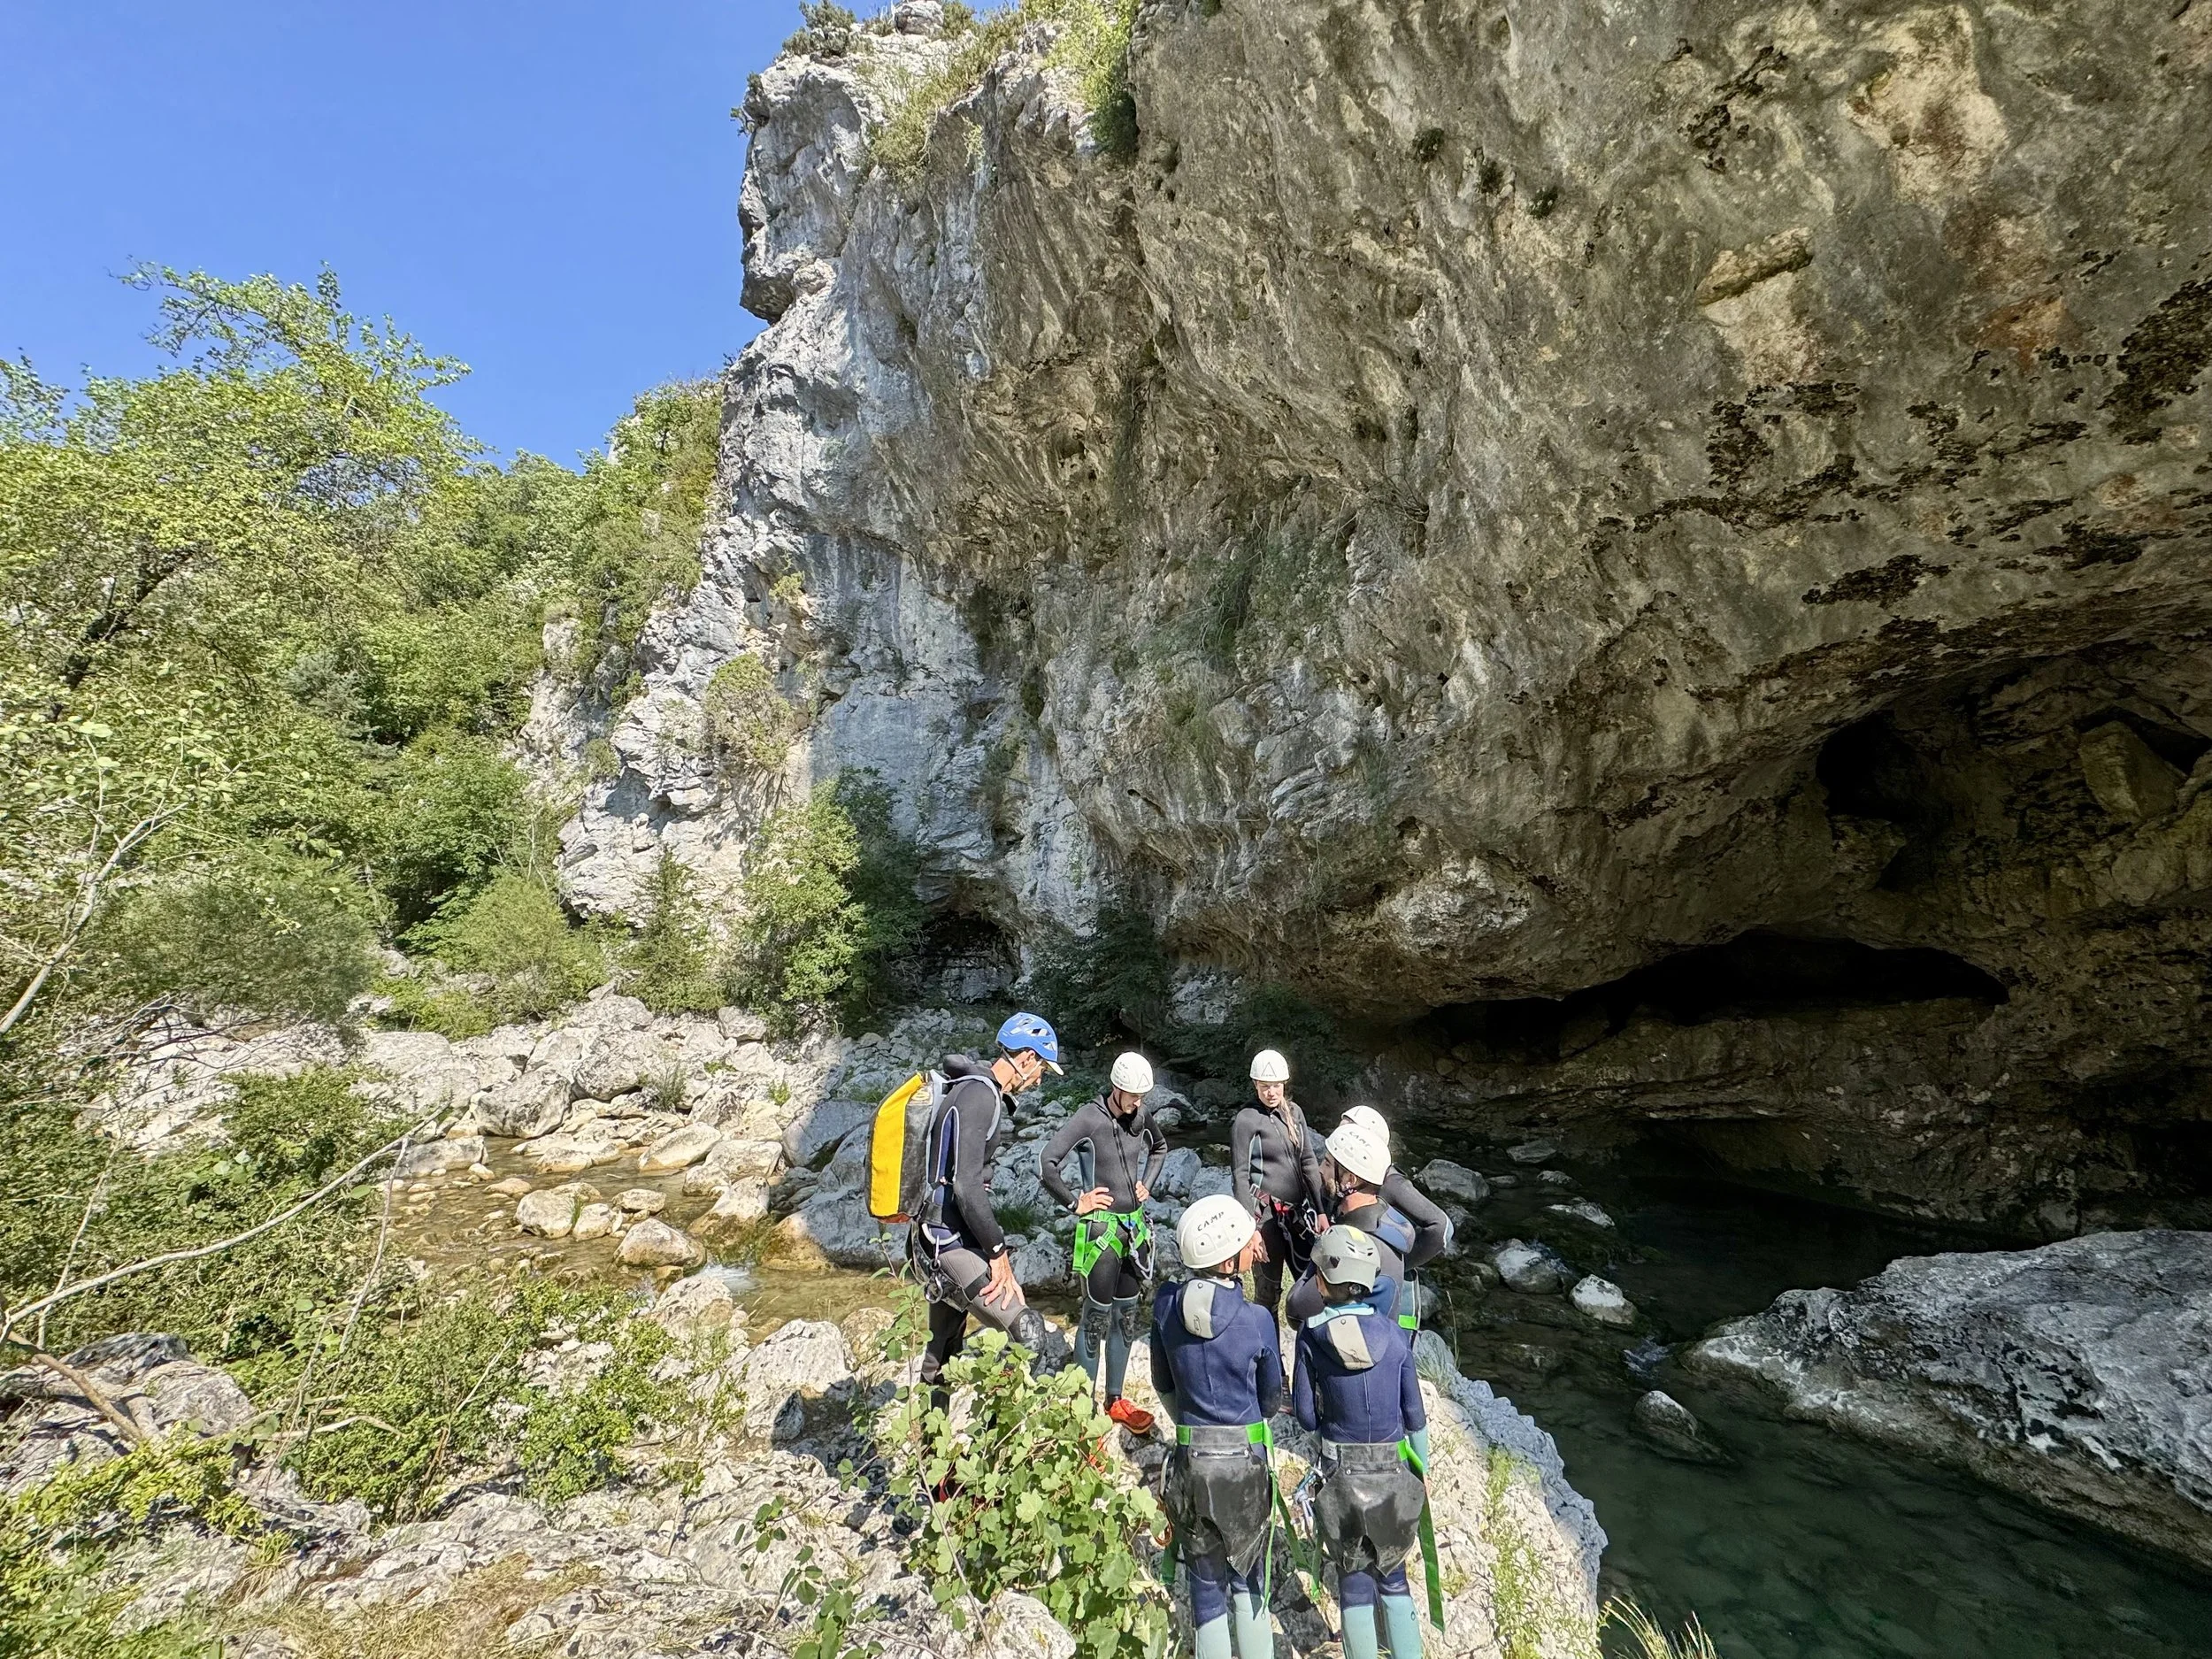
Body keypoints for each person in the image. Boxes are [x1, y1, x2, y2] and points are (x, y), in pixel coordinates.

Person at [911, 1010, 1070, 1414]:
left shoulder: (967, 1084)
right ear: (1028, 1058)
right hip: (946, 1244)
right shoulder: (982, 1095)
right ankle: (1000, 1453)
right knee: (1027, 1331)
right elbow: (966, 1185)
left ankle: (938, 1470)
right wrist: (997, 1254)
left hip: (936, 1237)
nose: (1038, 1081)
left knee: (942, 1353)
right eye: (1042, 1071)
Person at [1151, 1195, 1284, 1659]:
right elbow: (1270, 1399)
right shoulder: (1258, 1320)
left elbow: (1162, 1384)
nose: (1255, 1245)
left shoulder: (1165, 1307)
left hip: (1191, 1464)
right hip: (1244, 1468)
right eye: (1248, 1241)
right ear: (1229, 1259)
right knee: (1250, 1581)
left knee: (1205, 1586)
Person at [1292, 1227, 1429, 1659]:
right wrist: (1420, 1475)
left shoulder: (1311, 1336)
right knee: (1394, 1578)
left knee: (1352, 1583)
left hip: (1341, 1478)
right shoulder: (1395, 1337)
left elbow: (1305, 1414)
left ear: (1322, 1280)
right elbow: (1416, 1418)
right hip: (1393, 1477)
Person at [1039, 1049, 1168, 1432]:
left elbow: (1160, 1148)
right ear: (1115, 1087)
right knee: (1095, 1317)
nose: (1137, 1103)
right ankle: (1080, 1411)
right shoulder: (1089, 1117)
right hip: (1100, 1232)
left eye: (1142, 1096)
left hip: (1133, 1230)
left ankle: (1114, 1399)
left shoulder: (1141, 1115)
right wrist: (1076, 1202)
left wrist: (1148, 1183)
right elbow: (1047, 1162)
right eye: (1132, 1095)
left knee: (1126, 1315)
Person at [1228, 1048, 1327, 1331]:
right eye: (1265, 1086)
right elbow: (1240, 1174)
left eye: (1276, 1086)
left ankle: (1314, 1361)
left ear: (1284, 1084)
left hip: (1296, 1216)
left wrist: (1320, 1210)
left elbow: (1308, 1161)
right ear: (1255, 1085)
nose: (1271, 1092)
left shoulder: (1294, 1113)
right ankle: (1272, 1371)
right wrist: (1251, 1229)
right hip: (1265, 1219)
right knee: (1267, 1295)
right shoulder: (1246, 1120)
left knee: (1315, 1289)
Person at [1285, 1120, 1410, 1325]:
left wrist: (1323, 1248)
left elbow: (1296, 1309)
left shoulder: (1352, 1245)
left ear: (1350, 1180)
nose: (1319, 1170)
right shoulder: (1389, 1220)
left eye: (1327, 1164)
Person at [1337, 1105, 1453, 1275]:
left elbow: (1442, 1228)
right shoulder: (1341, 1172)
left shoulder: (1391, 1183)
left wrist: (1397, 1267)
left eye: (1345, 1136)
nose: (1337, 1141)